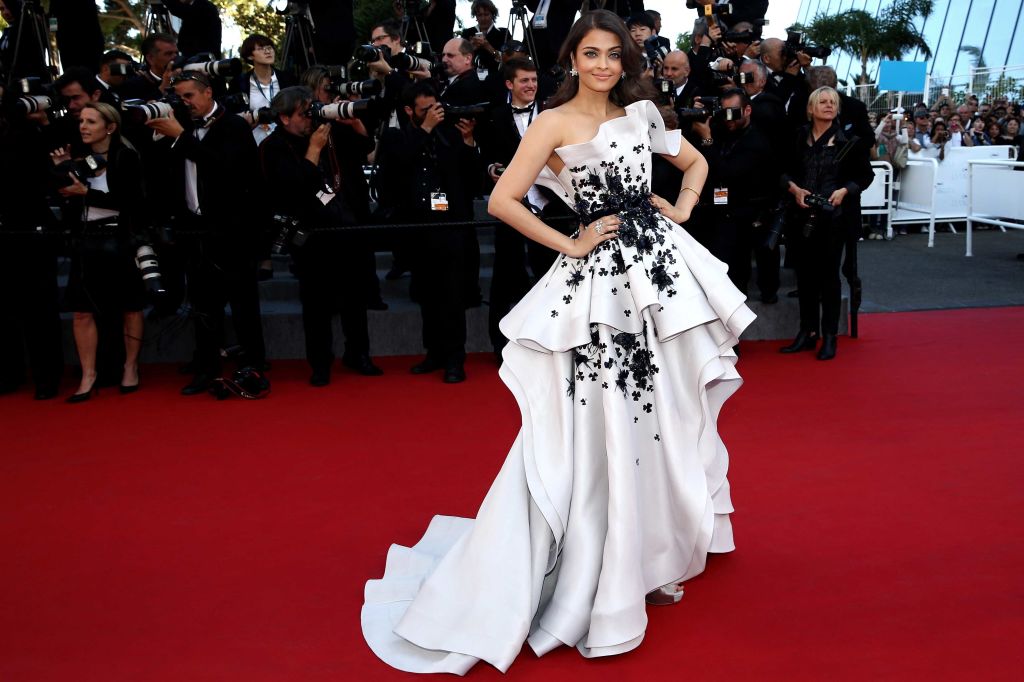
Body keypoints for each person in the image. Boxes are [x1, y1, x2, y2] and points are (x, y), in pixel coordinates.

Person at [362, 10, 753, 674]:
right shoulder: (552, 122)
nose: (603, 65)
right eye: (591, 53)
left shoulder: (642, 113)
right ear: (572, 58)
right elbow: (504, 200)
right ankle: (608, 557)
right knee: (610, 421)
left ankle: (650, 551)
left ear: (627, 61)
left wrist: (684, 207)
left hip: (662, 276)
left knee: (662, 416)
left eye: (613, 54)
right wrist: (571, 243)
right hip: (601, 290)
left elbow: (695, 162)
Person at [146, 71, 267, 395]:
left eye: (190, 96)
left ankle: (254, 366)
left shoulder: (234, 126)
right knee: (203, 305)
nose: (185, 103)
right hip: (193, 230)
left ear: (208, 92)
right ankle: (206, 368)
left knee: (243, 305)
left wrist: (181, 138)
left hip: (233, 232)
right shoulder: (178, 127)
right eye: (180, 97)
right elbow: (163, 174)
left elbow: (228, 170)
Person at [259, 86, 383, 386]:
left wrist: (355, 123)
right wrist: (314, 149)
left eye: (312, 111)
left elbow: (364, 148)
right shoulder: (272, 147)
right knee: (316, 305)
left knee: (355, 299)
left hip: (345, 227)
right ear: (284, 118)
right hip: (310, 235)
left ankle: (358, 354)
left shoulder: (327, 132)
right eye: (304, 114)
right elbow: (292, 189)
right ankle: (320, 363)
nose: (310, 119)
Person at [374, 81, 482, 383]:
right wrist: (424, 130)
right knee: (426, 295)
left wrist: (469, 142)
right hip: (417, 228)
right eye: (425, 110)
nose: (434, 114)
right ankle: (434, 353)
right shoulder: (397, 137)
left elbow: (473, 181)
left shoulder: (451, 133)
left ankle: (455, 359)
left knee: (452, 296)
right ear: (409, 110)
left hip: (450, 227)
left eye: (436, 107)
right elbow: (395, 169)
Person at [50, 103, 147, 401]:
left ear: (110, 127)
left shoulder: (126, 156)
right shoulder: (80, 158)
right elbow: (68, 202)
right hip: (86, 241)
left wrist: (86, 193)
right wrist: (64, 171)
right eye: (82, 121)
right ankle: (88, 374)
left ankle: (130, 366)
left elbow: (130, 202)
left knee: (130, 307)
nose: (83, 126)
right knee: (81, 311)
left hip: (120, 241)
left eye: (91, 121)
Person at [779, 86, 873, 361]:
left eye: (833, 102)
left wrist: (844, 191)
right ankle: (807, 332)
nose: (829, 105)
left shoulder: (849, 141)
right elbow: (781, 171)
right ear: (811, 109)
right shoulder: (797, 137)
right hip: (801, 217)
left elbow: (865, 176)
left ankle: (829, 335)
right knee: (805, 277)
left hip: (835, 220)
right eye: (822, 101)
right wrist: (795, 189)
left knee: (829, 277)